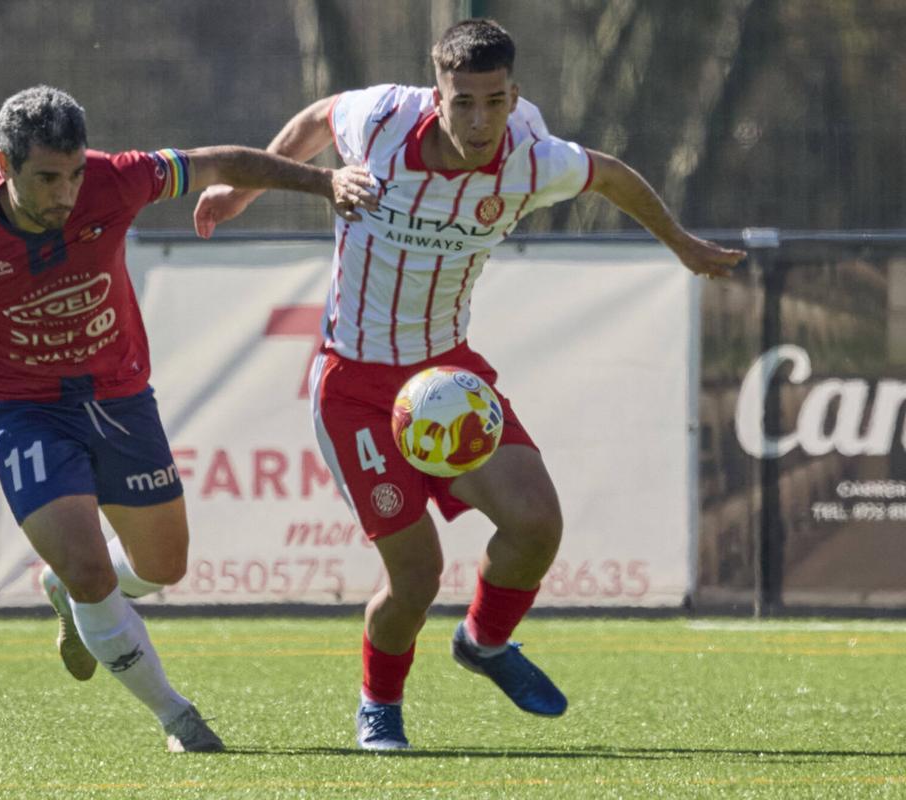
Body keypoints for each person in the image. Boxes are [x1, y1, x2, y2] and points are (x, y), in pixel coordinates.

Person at [195, 19, 746, 750]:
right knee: (415, 575)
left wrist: (679, 243)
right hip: (354, 384)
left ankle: (484, 644)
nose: (480, 120)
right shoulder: (384, 120)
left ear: (514, 95)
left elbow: (611, 175)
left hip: (448, 374)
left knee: (536, 524)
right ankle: (379, 704)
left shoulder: (531, 157)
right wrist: (243, 190)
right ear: (438, 94)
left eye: (495, 101)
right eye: (464, 103)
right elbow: (320, 116)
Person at [0, 85, 376, 753]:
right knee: (94, 572)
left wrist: (325, 180)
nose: (66, 193)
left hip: (119, 398)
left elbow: (219, 162)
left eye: (73, 174)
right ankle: (178, 718)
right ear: (3, 164)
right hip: (25, 410)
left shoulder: (117, 179)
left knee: (163, 566)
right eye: (46, 177)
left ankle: (63, 588)